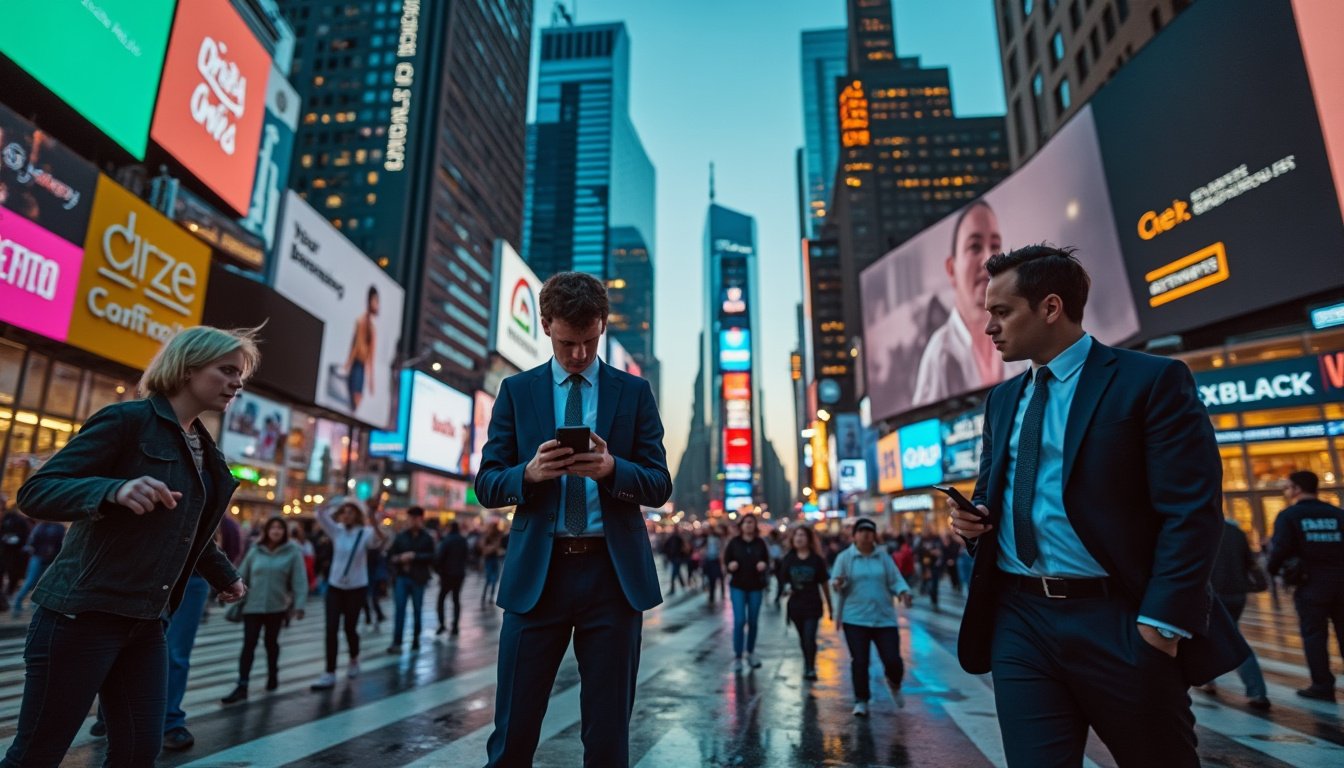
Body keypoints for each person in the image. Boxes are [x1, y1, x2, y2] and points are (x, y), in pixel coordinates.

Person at [948, 244, 1248, 767]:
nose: (990, 328)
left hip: (1120, 616)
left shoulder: (1149, 381)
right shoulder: (1001, 400)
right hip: (1019, 619)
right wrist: (972, 522)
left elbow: (1193, 510)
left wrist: (1161, 624)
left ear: (1050, 307)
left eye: (1001, 312)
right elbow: (991, 491)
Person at [1, 326, 252, 766]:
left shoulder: (207, 451)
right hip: (81, 615)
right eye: (227, 370)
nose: (237, 382)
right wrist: (112, 491)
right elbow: (37, 492)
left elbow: (186, 528)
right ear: (189, 367)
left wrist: (222, 572)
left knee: (138, 751)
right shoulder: (127, 421)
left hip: (147, 621)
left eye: (241, 375)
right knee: (38, 754)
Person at [475, 271, 671, 768]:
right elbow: (487, 483)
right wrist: (530, 473)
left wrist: (612, 470)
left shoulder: (634, 392)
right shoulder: (517, 392)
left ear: (602, 325)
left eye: (589, 341)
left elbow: (659, 483)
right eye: (567, 342)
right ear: (545, 326)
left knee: (607, 736)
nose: (579, 354)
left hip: (612, 575)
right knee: (513, 731)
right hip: (538, 577)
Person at [914, 200, 1026, 406]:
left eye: (995, 246)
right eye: (974, 247)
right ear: (951, 269)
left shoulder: (1023, 336)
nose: (988, 258)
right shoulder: (939, 355)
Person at [1267, 470, 1344, 702]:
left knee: (1314, 635)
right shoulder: (1337, 514)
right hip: (1341, 582)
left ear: (1297, 489)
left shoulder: (1290, 516)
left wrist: (1273, 570)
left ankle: (1322, 684)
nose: (1286, 491)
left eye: (1287, 487)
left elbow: (1280, 549)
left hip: (1310, 584)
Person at [221, 516, 308, 704]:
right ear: (266, 530)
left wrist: (299, 605)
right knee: (249, 644)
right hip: (253, 606)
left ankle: (272, 674)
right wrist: (228, 590)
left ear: (285, 531)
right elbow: (241, 575)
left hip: (277, 607)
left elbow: (299, 580)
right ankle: (242, 685)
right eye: (272, 527)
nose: (276, 531)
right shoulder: (255, 550)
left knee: (271, 643)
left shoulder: (293, 551)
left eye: (280, 528)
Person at [831, 518, 913, 716]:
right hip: (855, 618)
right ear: (855, 535)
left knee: (893, 660)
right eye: (862, 531)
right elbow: (835, 581)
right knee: (860, 661)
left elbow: (895, 579)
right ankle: (861, 700)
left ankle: (894, 683)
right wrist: (838, 584)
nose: (866, 535)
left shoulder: (883, 557)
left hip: (883, 618)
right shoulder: (845, 558)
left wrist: (903, 592)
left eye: (870, 531)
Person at [311, 498, 386, 691]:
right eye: (344, 512)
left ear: (357, 515)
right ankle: (330, 672)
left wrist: (373, 517)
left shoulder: (365, 532)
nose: (346, 514)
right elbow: (320, 515)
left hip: (356, 588)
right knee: (331, 628)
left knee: (350, 628)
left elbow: (380, 539)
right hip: (335, 587)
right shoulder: (337, 531)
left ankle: (354, 658)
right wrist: (332, 502)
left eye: (350, 511)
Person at [1204, 515, 1270, 709]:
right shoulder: (1236, 532)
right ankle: (1208, 679)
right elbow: (1250, 562)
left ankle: (1256, 690)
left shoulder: (1198, 529)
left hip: (1212, 592)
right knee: (1224, 635)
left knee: (1224, 638)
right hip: (1236, 594)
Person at [780, 526, 832, 681]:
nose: (799, 538)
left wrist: (830, 606)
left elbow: (824, 583)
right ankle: (807, 660)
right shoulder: (789, 559)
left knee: (810, 636)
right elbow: (782, 579)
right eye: (796, 535)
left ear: (808, 539)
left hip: (813, 605)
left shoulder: (817, 560)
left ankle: (810, 667)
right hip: (795, 606)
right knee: (803, 638)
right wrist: (786, 588)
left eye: (802, 535)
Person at [723, 513, 771, 672]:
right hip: (738, 586)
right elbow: (726, 560)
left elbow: (767, 560)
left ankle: (750, 652)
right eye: (746, 522)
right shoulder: (734, 543)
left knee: (753, 621)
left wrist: (763, 565)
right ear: (741, 525)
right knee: (739, 620)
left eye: (751, 522)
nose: (749, 525)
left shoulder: (760, 543)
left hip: (756, 587)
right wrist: (730, 566)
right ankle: (738, 656)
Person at [388, 506, 436, 653]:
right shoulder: (401, 536)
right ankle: (397, 641)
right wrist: (399, 558)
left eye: (416, 518)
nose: (413, 521)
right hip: (402, 577)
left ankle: (416, 639)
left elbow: (432, 556)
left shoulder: (427, 537)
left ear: (421, 519)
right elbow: (391, 556)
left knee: (417, 610)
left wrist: (415, 556)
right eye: (411, 518)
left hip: (418, 578)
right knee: (400, 610)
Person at [8, 520, 63, 616]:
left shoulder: (58, 527)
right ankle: (18, 604)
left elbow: (60, 544)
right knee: (30, 581)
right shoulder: (42, 527)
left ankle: (34, 606)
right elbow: (32, 542)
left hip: (50, 558)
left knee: (43, 583)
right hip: (38, 557)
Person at [344, 285, 379, 411]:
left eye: (377, 301)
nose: (377, 304)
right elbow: (355, 346)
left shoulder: (372, 328)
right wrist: (347, 365)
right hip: (356, 366)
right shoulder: (361, 321)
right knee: (353, 402)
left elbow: (371, 356)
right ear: (369, 301)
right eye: (375, 300)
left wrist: (371, 380)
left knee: (355, 403)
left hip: (361, 367)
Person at [435, 521, 469, 636]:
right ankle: (455, 626)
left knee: (441, 599)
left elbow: (439, 557)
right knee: (456, 600)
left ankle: (442, 624)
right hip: (459, 574)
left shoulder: (446, 540)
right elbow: (466, 556)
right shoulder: (462, 540)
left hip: (447, 574)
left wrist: (438, 571)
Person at [479, 520, 505, 607]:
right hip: (490, 559)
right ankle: (487, 596)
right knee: (491, 579)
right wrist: (494, 547)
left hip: (493, 559)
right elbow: (484, 549)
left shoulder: (496, 536)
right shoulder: (488, 537)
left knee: (493, 579)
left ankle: (488, 596)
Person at [702, 525, 726, 606]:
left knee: (720, 577)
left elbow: (721, 548)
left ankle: (722, 593)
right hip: (709, 560)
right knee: (711, 578)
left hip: (717, 560)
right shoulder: (706, 538)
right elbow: (704, 548)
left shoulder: (718, 537)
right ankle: (712, 596)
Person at [662, 526, 687, 595]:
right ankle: (682, 585)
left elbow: (684, 548)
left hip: (677, 558)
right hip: (675, 558)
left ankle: (672, 589)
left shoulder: (677, 538)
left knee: (674, 574)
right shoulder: (675, 538)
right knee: (677, 572)